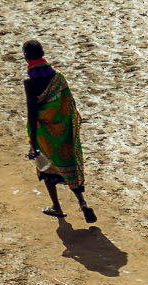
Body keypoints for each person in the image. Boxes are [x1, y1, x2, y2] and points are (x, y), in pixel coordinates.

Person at [22, 40, 96, 223]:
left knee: (46, 169)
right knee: (69, 166)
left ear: (26, 57)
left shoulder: (30, 83)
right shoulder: (58, 78)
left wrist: (33, 143)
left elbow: (32, 113)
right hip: (63, 131)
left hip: (43, 132)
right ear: (43, 53)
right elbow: (69, 106)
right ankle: (82, 202)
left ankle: (56, 206)